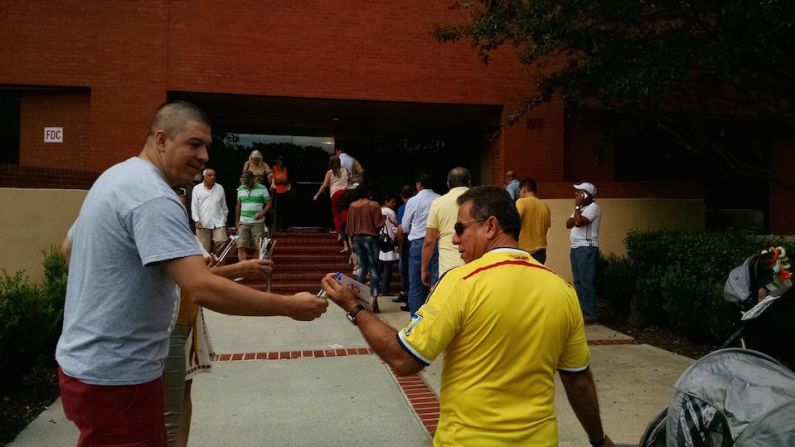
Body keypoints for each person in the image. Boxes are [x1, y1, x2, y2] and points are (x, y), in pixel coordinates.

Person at [56, 100, 327, 446]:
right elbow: (201, 288)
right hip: (119, 377)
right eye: (194, 144)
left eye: (207, 147)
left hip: (85, 366)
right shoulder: (153, 197)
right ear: (161, 139)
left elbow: (69, 249)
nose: (203, 157)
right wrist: (289, 306)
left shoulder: (115, 177)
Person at [320, 185, 614, 447]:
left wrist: (354, 307)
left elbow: (403, 358)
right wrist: (598, 439)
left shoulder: (460, 282)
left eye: (460, 229)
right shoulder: (561, 289)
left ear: (490, 226)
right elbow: (578, 380)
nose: (455, 240)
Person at [421, 167, 470, 287]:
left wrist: (424, 269)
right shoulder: (480, 201)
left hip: (448, 268)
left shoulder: (438, 203)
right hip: (475, 267)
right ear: (469, 181)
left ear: (448, 184)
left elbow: (429, 241)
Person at [401, 173, 440, 315]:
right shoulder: (439, 199)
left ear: (419, 184)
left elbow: (404, 226)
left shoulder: (413, 201)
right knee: (437, 283)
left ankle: (416, 322)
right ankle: (434, 317)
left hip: (418, 243)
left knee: (416, 285)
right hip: (436, 242)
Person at [345, 183, 385, 312]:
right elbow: (379, 224)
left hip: (357, 239)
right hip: (371, 238)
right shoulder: (374, 205)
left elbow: (349, 228)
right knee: (373, 269)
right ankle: (374, 298)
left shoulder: (352, 206)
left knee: (362, 268)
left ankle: (360, 299)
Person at [566, 182, 602, 323]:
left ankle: (591, 314)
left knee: (587, 282)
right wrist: (578, 208)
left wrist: (577, 206)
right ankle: (583, 312)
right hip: (576, 248)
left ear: (586, 194)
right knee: (579, 282)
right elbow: (568, 224)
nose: (575, 194)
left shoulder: (594, 208)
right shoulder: (582, 208)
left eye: (578, 191)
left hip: (586, 248)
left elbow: (579, 222)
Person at [236, 170, 271, 261]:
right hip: (243, 221)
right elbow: (238, 205)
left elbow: (269, 204)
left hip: (257, 222)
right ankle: (243, 268)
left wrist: (262, 213)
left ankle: (253, 267)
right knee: (241, 245)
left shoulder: (262, 188)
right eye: (245, 182)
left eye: (248, 182)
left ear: (253, 179)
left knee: (258, 247)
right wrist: (237, 221)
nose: (246, 184)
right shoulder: (241, 188)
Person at [191, 168, 228, 253]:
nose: (212, 177)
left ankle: (220, 265)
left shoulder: (220, 188)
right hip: (202, 222)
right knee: (203, 249)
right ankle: (206, 266)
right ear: (204, 177)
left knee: (222, 243)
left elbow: (224, 206)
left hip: (218, 222)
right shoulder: (197, 188)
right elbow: (194, 206)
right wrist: (196, 220)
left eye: (214, 175)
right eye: (210, 175)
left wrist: (225, 220)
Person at [313, 155, 352, 237]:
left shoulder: (330, 172)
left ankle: (339, 233)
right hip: (345, 193)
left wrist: (317, 195)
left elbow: (324, 186)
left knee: (336, 215)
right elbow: (350, 184)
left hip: (335, 194)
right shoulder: (346, 170)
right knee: (344, 212)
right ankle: (346, 230)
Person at [516, 177, 551, 264]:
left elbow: (515, 222)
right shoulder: (545, 206)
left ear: (524, 189)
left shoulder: (521, 202)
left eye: (519, 190)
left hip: (524, 253)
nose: (519, 193)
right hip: (541, 253)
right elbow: (546, 228)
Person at [393, 185, 414, 307]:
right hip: (419, 240)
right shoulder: (418, 204)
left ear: (401, 196)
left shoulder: (402, 208)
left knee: (404, 269)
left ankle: (406, 295)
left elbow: (401, 229)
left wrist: (400, 247)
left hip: (406, 241)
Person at [378, 193, 400, 296]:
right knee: (388, 266)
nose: (394, 204)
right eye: (392, 202)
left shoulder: (378, 210)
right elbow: (394, 227)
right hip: (389, 240)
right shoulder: (390, 212)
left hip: (379, 240)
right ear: (386, 202)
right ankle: (385, 289)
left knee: (380, 265)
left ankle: (378, 287)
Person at [270, 155, 290, 231]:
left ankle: (284, 227)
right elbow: (273, 179)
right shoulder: (274, 168)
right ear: (277, 161)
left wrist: (287, 186)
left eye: (282, 160)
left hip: (284, 191)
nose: (281, 161)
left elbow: (287, 180)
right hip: (276, 192)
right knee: (276, 210)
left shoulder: (285, 169)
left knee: (284, 210)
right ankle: (276, 227)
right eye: (279, 160)